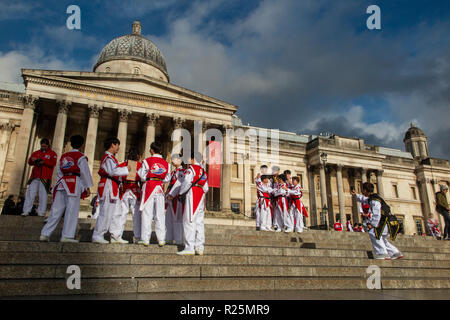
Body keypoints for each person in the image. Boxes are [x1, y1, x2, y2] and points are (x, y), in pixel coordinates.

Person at [40, 135, 93, 242]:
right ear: (82, 145)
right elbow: (85, 173)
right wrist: (87, 187)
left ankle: (45, 234)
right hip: (74, 183)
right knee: (71, 211)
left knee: (55, 211)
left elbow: (59, 172)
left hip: (62, 183)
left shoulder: (64, 156)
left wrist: (58, 183)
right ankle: (67, 236)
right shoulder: (81, 157)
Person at [168, 152, 208, 255]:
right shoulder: (204, 172)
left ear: (193, 159)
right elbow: (206, 188)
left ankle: (189, 247)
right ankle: (199, 246)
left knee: (189, 220)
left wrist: (181, 193)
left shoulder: (191, 169)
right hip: (201, 196)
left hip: (193, 194)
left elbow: (186, 182)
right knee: (199, 222)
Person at [92, 137, 130, 244]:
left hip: (114, 185)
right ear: (113, 145)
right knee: (106, 211)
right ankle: (98, 235)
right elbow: (112, 171)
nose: (118, 148)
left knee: (117, 211)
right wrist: (127, 170)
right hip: (108, 185)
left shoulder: (112, 158)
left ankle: (115, 235)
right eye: (117, 145)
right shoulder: (107, 158)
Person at [359, 182, 403, 260]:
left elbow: (377, 214)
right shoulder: (374, 198)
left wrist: (372, 224)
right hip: (388, 222)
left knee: (374, 233)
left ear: (365, 190)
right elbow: (364, 199)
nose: (362, 192)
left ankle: (382, 253)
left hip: (385, 222)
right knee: (380, 237)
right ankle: (395, 252)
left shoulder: (374, 200)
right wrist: (355, 195)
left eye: (363, 190)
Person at [137, 141, 169, 247]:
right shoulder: (165, 163)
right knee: (159, 215)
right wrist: (159, 178)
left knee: (147, 214)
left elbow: (141, 175)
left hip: (149, 186)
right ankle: (161, 239)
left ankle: (145, 239)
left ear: (151, 150)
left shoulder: (147, 161)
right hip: (159, 187)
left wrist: (149, 176)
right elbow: (167, 178)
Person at [21, 138, 57, 217]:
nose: (43, 148)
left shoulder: (52, 153)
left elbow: (53, 164)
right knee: (30, 194)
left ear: (48, 145)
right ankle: (26, 210)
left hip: (45, 177)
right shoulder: (36, 153)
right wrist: (32, 159)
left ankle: (41, 212)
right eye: (42, 146)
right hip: (35, 176)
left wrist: (43, 161)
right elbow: (29, 162)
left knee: (43, 195)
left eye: (45, 146)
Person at [118, 150, 142, 243]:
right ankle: (137, 237)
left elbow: (118, 177)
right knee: (136, 215)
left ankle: (118, 235)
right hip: (134, 189)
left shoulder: (123, 164)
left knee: (122, 214)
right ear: (138, 156)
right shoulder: (139, 165)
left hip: (124, 190)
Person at [165, 153, 185, 245]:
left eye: (175, 158)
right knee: (168, 219)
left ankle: (179, 239)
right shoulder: (173, 172)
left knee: (177, 219)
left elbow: (179, 183)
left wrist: (172, 194)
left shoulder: (181, 171)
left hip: (176, 198)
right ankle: (168, 237)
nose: (173, 160)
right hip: (170, 197)